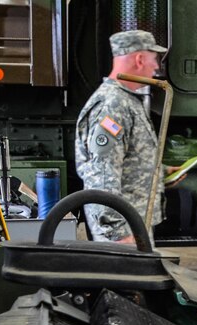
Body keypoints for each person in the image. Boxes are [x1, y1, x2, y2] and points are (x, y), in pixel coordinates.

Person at [75, 30, 168, 244]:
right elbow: (101, 175)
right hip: (122, 232)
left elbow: (126, 159)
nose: (156, 67)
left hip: (132, 224)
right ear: (139, 59)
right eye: (154, 59)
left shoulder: (125, 100)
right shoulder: (113, 105)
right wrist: (118, 233)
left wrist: (160, 172)